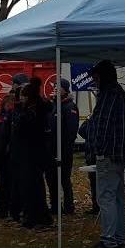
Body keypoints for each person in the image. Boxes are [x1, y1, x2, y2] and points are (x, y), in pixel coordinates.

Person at [86, 61, 125, 248]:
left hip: (109, 154)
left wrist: (97, 149)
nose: (94, 80)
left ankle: (109, 240)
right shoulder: (118, 93)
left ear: (103, 76)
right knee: (116, 197)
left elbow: (102, 127)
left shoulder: (108, 95)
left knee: (106, 197)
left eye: (96, 76)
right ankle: (118, 237)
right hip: (119, 154)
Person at [12, 76, 52, 230]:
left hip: (32, 154)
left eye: (23, 96)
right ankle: (35, 215)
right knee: (33, 186)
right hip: (32, 153)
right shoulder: (37, 108)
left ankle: (36, 216)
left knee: (33, 186)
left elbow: (23, 130)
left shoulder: (33, 112)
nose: (20, 99)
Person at [47, 79, 81, 216]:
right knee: (51, 179)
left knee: (64, 179)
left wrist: (65, 148)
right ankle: (55, 206)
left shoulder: (70, 107)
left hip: (64, 150)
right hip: (51, 149)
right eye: (54, 86)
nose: (55, 88)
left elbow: (71, 131)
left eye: (58, 87)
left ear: (65, 90)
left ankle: (68, 206)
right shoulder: (54, 106)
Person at [0, 92, 18, 220]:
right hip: (1, 155)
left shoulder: (13, 118)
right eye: (6, 105)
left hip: (10, 156)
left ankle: (10, 208)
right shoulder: (0, 118)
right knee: (3, 183)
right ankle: (2, 207)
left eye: (10, 105)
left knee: (10, 183)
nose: (8, 107)